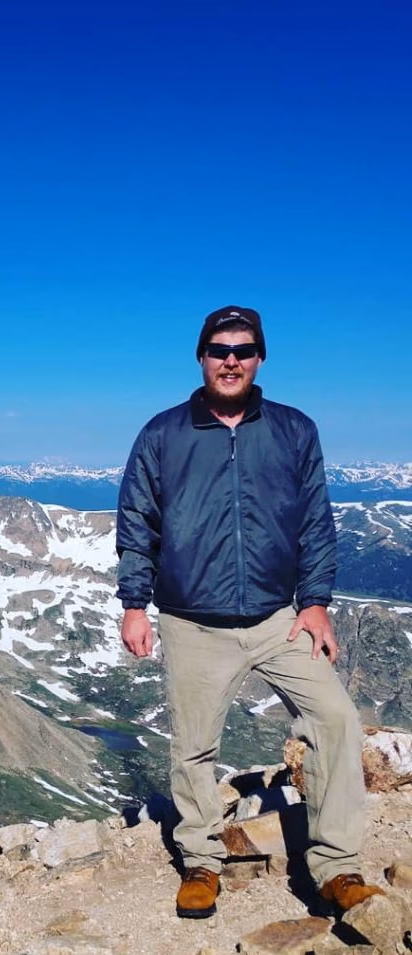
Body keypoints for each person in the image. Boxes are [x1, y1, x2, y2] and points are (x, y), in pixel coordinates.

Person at [115, 305, 382, 919]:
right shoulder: (163, 433)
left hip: (278, 617)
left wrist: (315, 603)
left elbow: (316, 520)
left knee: (336, 720)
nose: (229, 360)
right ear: (201, 358)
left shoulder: (292, 430)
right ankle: (202, 862)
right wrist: (134, 605)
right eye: (218, 349)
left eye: (242, 349)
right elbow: (137, 523)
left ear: (260, 358)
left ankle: (337, 867)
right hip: (193, 621)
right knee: (194, 749)